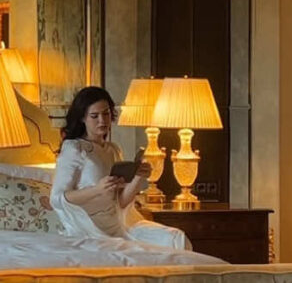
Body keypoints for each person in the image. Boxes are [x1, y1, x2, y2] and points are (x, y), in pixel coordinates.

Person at [49, 86, 190, 250]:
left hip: (118, 225)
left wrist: (138, 176)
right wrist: (97, 190)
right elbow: (57, 198)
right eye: (95, 116)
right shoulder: (74, 148)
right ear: (82, 118)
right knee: (130, 251)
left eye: (106, 114)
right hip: (89, 228)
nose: (102, 121)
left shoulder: (113, 150)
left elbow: (121, 202)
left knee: (175, 237)